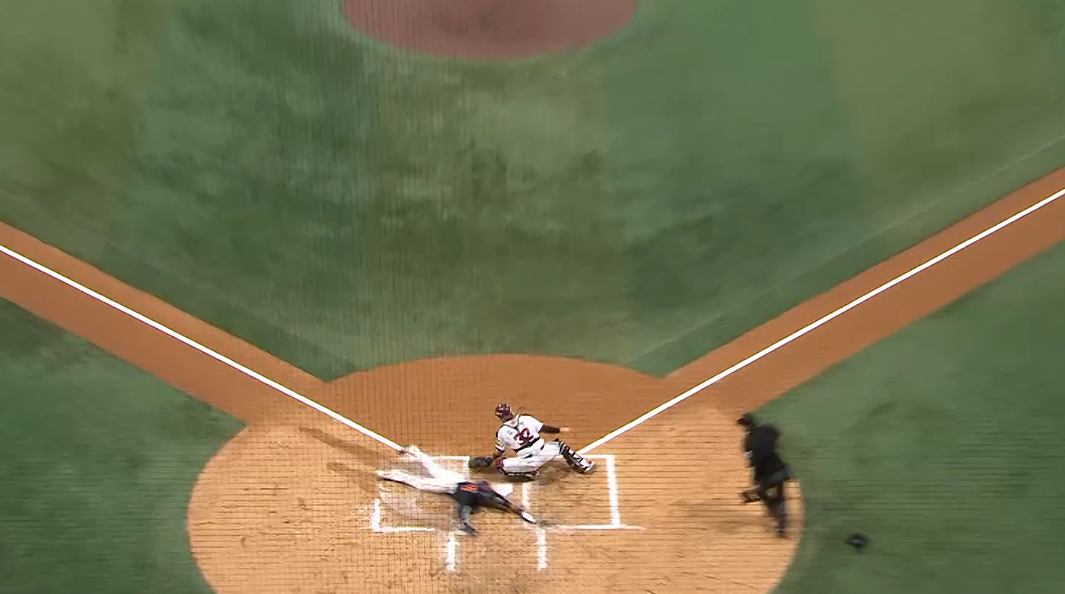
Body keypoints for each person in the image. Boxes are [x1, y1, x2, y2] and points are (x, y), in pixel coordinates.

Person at [377, 445, 536, 535]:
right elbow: (463, 512)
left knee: (433, 467)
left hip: (456, 478)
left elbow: (501, 501)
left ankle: (414, 450)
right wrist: (466, 526)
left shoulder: (484, 489)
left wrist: (516, 510)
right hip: (447, 485)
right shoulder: (468, 498)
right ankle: (390, 475)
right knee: (420, 484)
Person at [480, 403, 595, 480]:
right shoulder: (526, 418)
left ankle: (528, 473)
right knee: (560, 446)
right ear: (511, 412)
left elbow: (500, 451)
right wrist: (559, 430)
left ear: (500, 417)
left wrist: (491, 459)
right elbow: (544, 428)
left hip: (527, 462)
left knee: (499, 465)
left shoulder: (502, 432)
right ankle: (584, 466)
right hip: (545, 453)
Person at [737, 413, 792, 537]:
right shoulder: (768, 429)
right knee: (778, 494)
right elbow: (776, 434)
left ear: (745, 426)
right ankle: (781, 518)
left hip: (766, 475)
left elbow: (752, 462)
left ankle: (780, 522)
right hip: (781, 469)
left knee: (766, 495)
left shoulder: (748, 442)